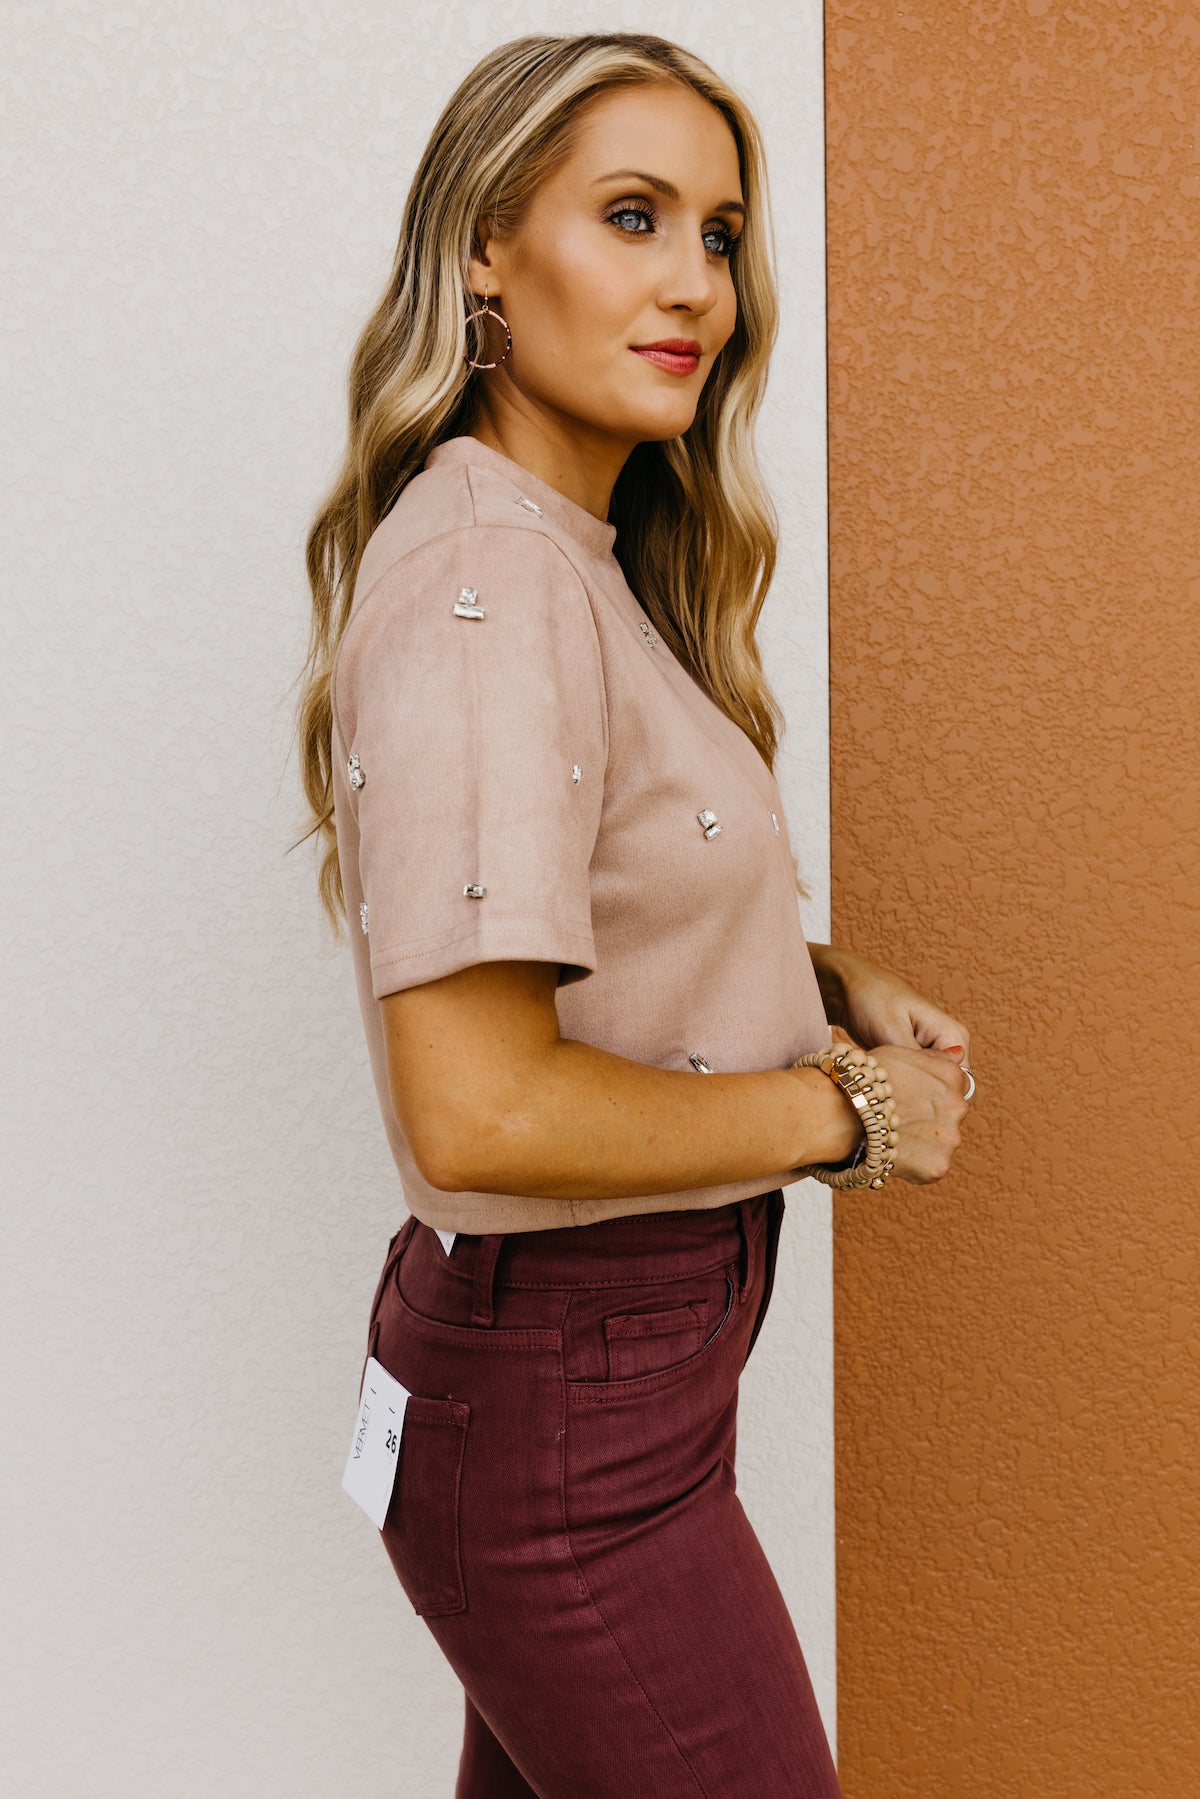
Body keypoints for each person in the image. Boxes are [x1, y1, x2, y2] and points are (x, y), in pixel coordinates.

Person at [295, 30, 973, 1799]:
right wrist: (850, 1113)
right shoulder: (488, 579)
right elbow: (481, 1109)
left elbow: (584, 911)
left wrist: (804, 977)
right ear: (483, 251)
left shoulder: (567, 557)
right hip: (566, 1436)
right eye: (632, 216)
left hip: (602, 1395)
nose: (697, 286)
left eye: (721, 234)